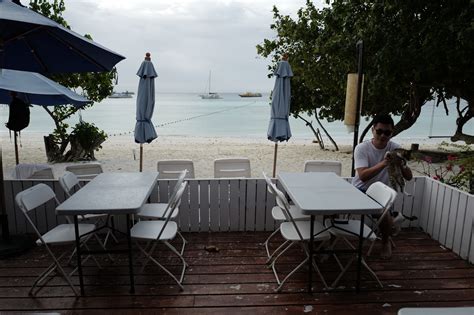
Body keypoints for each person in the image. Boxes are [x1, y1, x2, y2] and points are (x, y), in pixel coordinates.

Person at [352, 114, 412, 258]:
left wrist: (401, 164)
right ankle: (394, 220)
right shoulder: (362, 148)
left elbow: (408, 176)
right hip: (360, 189)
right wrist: (384, 163)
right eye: (379, 131)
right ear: (373, 130)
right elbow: (363, 176)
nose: (383, 135)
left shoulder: (396, 148)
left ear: (392, 133)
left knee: (383, 213)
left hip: (382, 194)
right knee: (335, 206)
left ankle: (385, 241)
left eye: (387, 132)